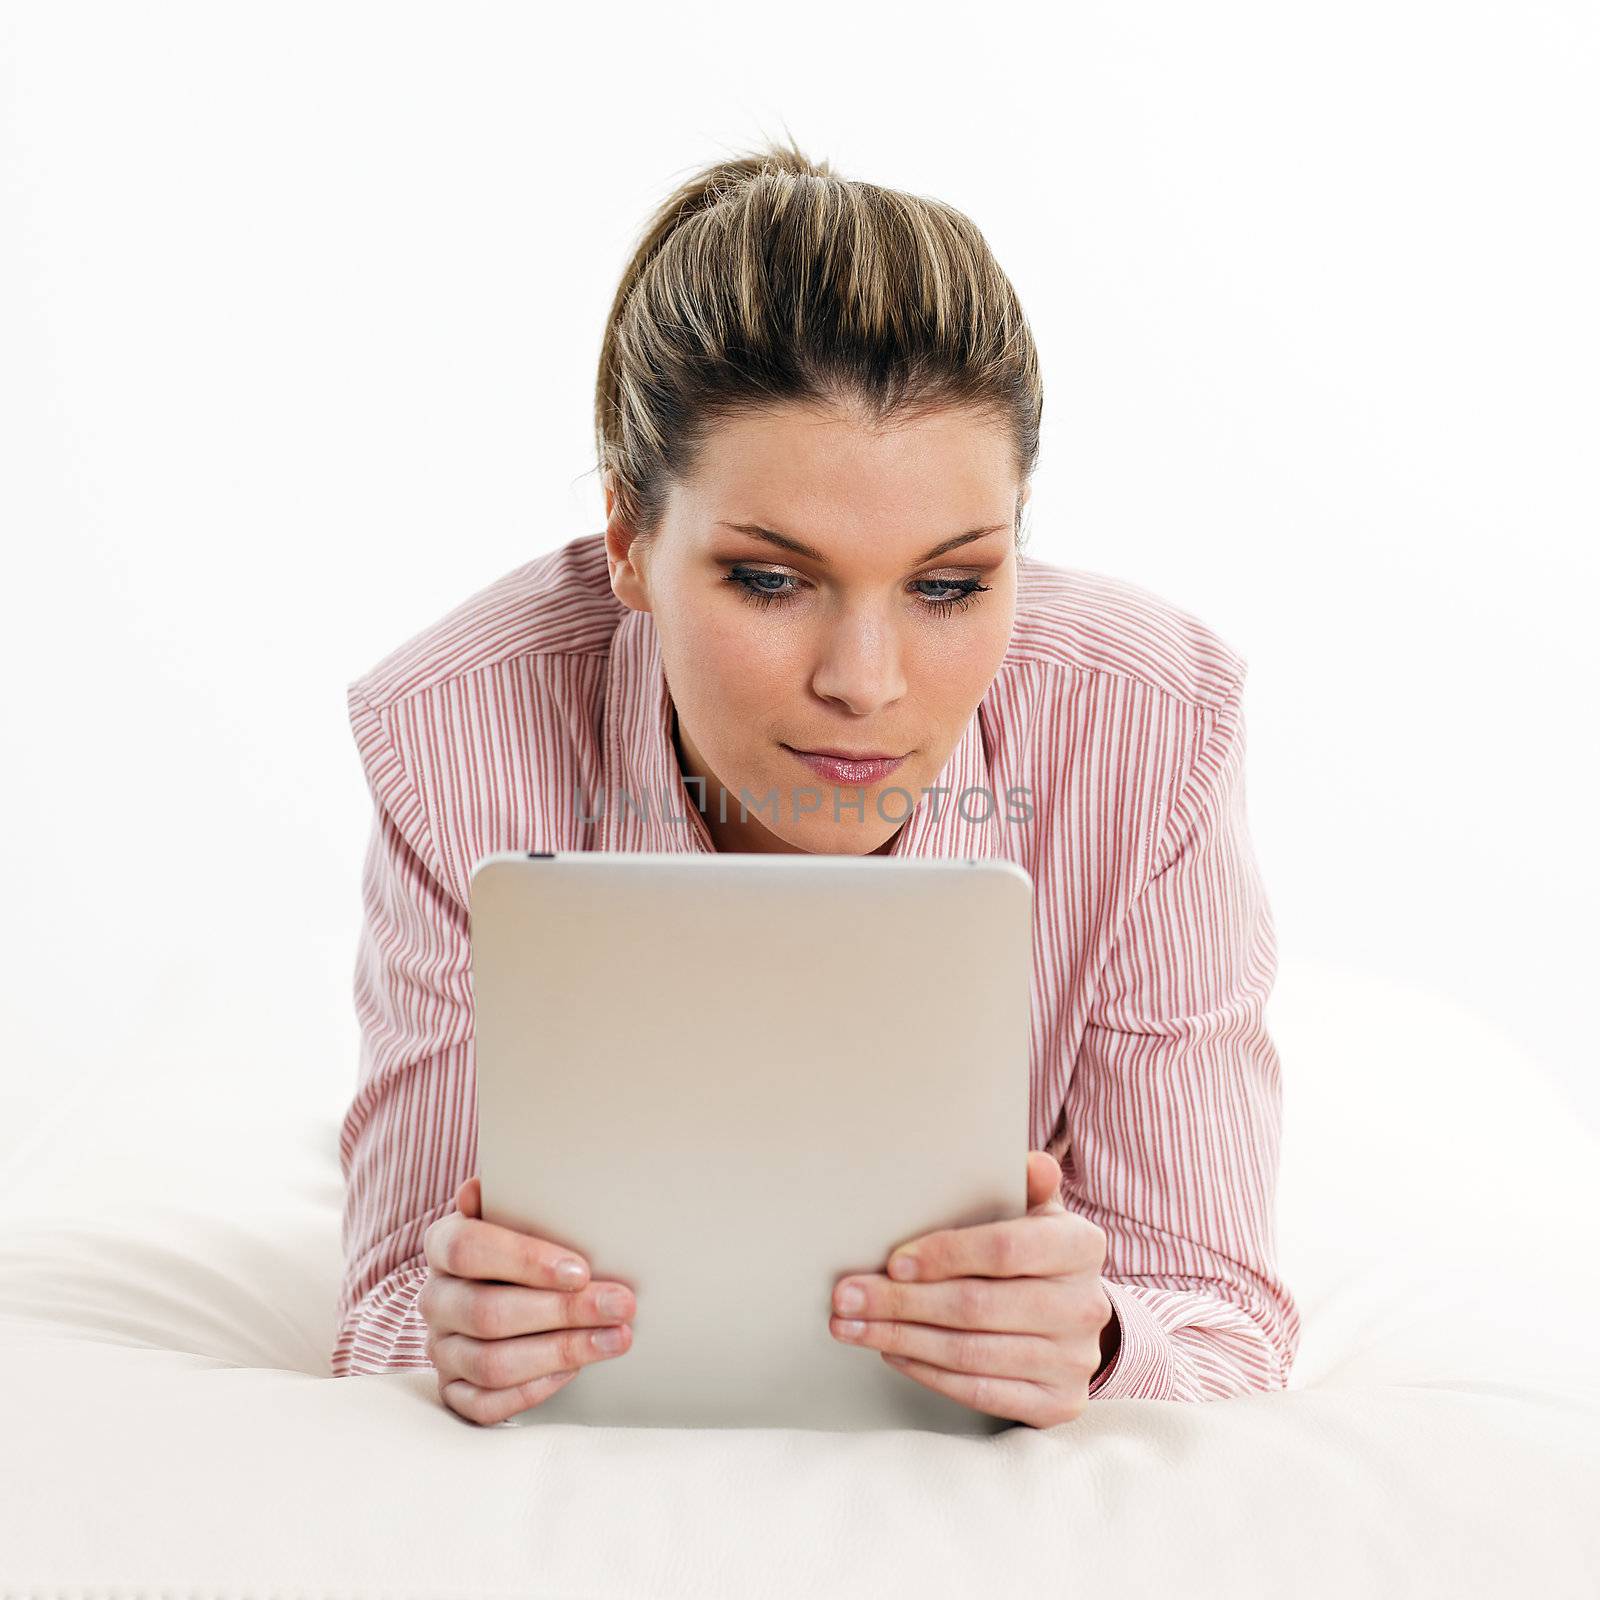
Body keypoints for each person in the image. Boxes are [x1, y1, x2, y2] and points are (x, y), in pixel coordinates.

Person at [333, 137, 1301, 1427]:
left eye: (951, 586)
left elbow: (1220, 1316)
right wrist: (451, 1326)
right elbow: (386, 1314)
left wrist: (1098, 1336)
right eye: (772, 580)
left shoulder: (1149, 726)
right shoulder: (458, 732)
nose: (866, 681)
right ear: (628, 541)